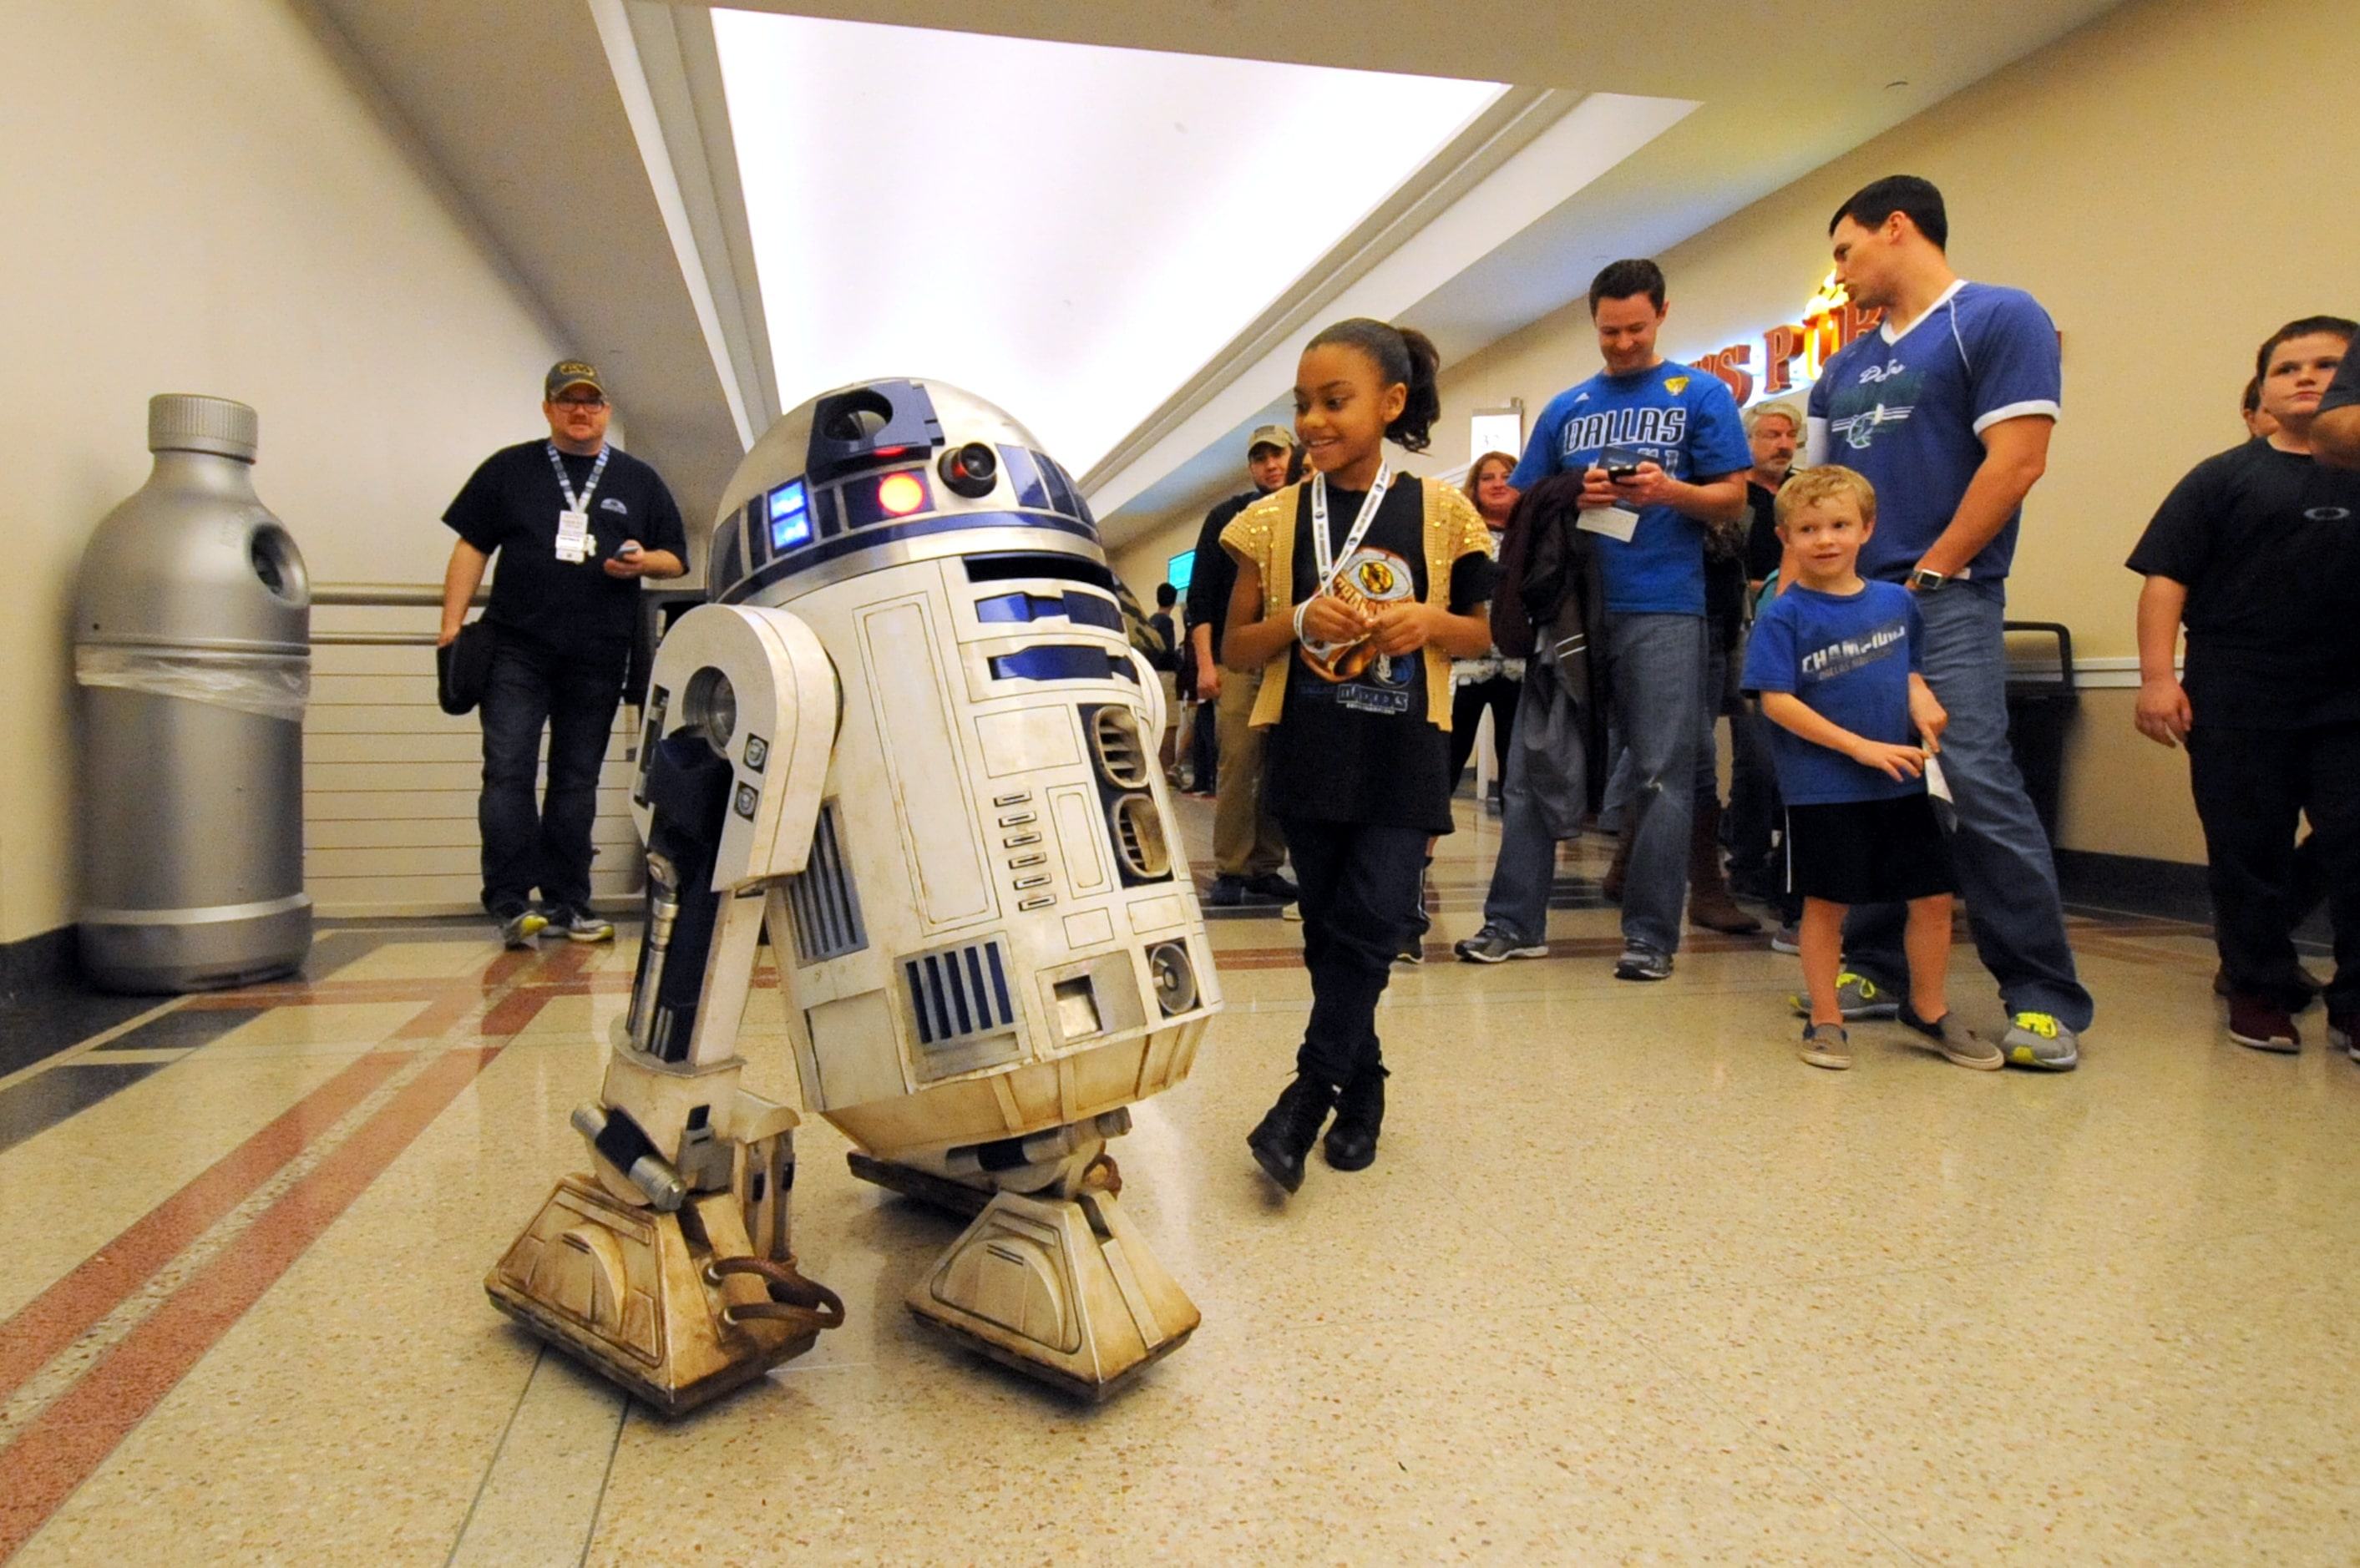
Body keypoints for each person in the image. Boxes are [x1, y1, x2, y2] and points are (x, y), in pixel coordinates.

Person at [1805, 175, 2092, 1070]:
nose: (1841, 273)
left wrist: (1931, 572)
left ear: (1899, 227)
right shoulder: (1842, 369)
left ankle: (2044, 996)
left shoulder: (1998, 318)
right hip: (1850, 605)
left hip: (1947, 596)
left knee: (1972, 777)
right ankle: (1880, 964)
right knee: (1870, 782)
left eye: (1847, 251)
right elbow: (1808, 501)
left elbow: (2017, 462)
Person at [1224, 318, 1495, 1191]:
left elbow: (1491, 627)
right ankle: (1365, 1089)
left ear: (1391, 402)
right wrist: (1300, 618)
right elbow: (1236, 646)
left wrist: (1431, 624)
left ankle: (1306, 1095)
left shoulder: (1445, 511)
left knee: (1376, 918)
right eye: (1303, 404)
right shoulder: (1268, 521)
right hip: (1311, 746)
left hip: (1405, 747)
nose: (1313, 421)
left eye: (1334, 402)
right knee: (1326, 928)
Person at [1456, 258, 1750, 979]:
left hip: (1666, 608)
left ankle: (1651, 936)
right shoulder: (1568, 407)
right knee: (1534, 764)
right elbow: (1520, 502)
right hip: (1574, 611)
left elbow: (1733, 497)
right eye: (1609, 331)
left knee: (1661, 774)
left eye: (1635, 329)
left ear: (1662, 315)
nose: (1621, 344)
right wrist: (1569, 488)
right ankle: (1512, 922)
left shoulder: (1701, 395)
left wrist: (1670, 491)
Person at [2125, 316, 2359, 1059]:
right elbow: (2166, 581)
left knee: (2354, 846)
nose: (2305, 378)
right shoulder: (2223, 477)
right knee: (2246, 847)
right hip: (2238, 691)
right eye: (2287, 368)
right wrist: (2159, 679)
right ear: (2262, 387)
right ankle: (2260, 988)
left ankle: (2354, 1005)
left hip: (2348, 696)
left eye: (2327, 366)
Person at [1745, 466, 2002, 1071]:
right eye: (1808, 529)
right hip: (1823, 789)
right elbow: (1777, 701)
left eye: (1839, 525)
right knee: (1827, 905)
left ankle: (1930, 1008)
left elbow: (1907, 668)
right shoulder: (1783, 616)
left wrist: (1922, 699)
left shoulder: (1895, 603)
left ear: (1868, 528)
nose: (1825, 539)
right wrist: (1856, 746)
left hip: (1901, 781)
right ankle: (1826, 1017)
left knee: (1932, 898)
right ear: (1786, 536)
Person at [440, 361, 687, 948]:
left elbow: (675, 557)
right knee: (508, 774)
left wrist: (641, 562)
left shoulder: (639, 479)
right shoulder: (509, 469)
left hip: (598, 655)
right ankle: (507, 902)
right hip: (514, 649)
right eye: (568, 401)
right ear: (549, 409)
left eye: (592, 401)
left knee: (576, 782)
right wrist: (451, 626)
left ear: (607, 411)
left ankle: (568, 903)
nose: (581, 411)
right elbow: (471, 545)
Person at [1187, 426, 1300, 906]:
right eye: (1261, 458)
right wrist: (1205, 666)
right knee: (1237, 761)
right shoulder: (1228, 517)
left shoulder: (1309, 512)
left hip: (1292, 658)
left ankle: (1265, 865)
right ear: (1251, 467)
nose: (1271, 465)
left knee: (1280, 764)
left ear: (1293, 457)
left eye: (1278, 454)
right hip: (1237, 658)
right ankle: (1231, 866)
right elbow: (1202, 597)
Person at [1726, 402, 1802, 928]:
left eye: (1789, 435)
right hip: (1748, 630)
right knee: (1757, 757)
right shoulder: (1736, 495)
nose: (1782, 443)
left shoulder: (1803, 492)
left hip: (1806, 630)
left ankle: (1790, 868)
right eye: (1772, 434)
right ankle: (1747, 861)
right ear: (1749, 440)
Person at [1447, 453, 1526, 803]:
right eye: (1488, 478)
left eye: (1507, 476)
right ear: (1475, 487)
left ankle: (1517, 852)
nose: (1498, 484)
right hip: (1465, 663)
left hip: (1518, 664)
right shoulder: (1459, 534)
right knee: (1447, 756)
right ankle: (1421, 849)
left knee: (1517, 763)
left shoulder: (1533, 535)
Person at [1149, 582, 1183, 780]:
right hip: (1166, 677)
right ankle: (1165, 770)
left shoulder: (1150, 620)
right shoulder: (1167, 622)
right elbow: (1167, 651)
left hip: (1152, 676)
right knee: (1170, 724)